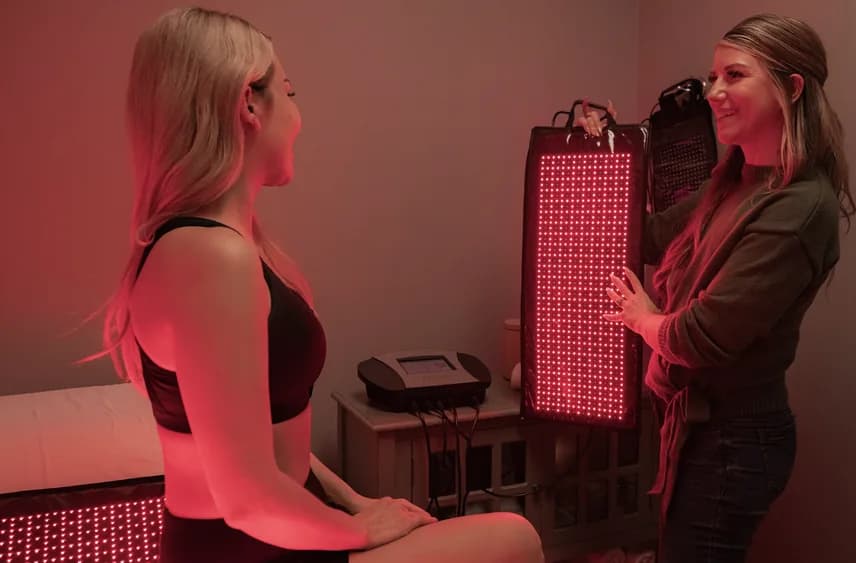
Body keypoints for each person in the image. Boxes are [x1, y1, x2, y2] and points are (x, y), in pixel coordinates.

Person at [95, 7, 543, 563]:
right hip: (248, 550)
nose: (298, 117)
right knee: (515, 538)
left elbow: (268, 439)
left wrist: (359, 503)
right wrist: (360, 532)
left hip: (286, 528)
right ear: (249, 104)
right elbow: (247, 501)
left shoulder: (222, 247)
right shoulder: (209, 256)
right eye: (289, 92)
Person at [578, 13, 856, 563]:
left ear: (791, 88)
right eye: (712, 77)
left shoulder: (799, 208)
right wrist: (606, 154)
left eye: (735, 75)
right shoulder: (733, 179)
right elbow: (650, 235)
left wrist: (641, 317)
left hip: (735, 441)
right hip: (697, 428)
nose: (713, 93)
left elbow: (701, 336)